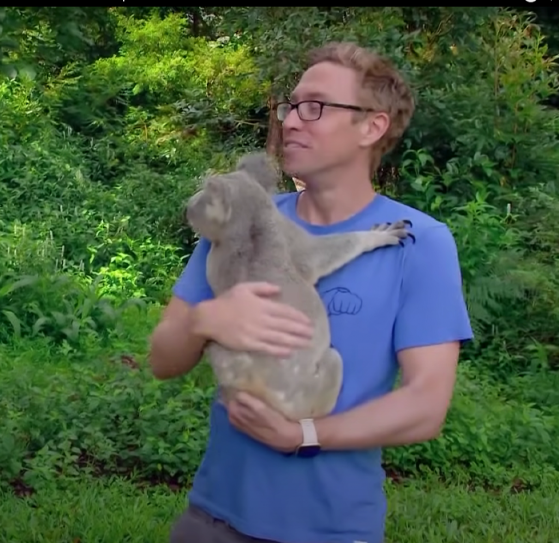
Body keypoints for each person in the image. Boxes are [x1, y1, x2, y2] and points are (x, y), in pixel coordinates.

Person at [149, 42, 473, 543]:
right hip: (212, 519)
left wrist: (304, 436)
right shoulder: (241, 217)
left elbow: (426, 404)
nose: (292, 121)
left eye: (315, 107)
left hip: (333, 529)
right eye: (290, 106)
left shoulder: (421, 243)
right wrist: (204, 321)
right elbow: (162, 360)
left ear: (372, 125)